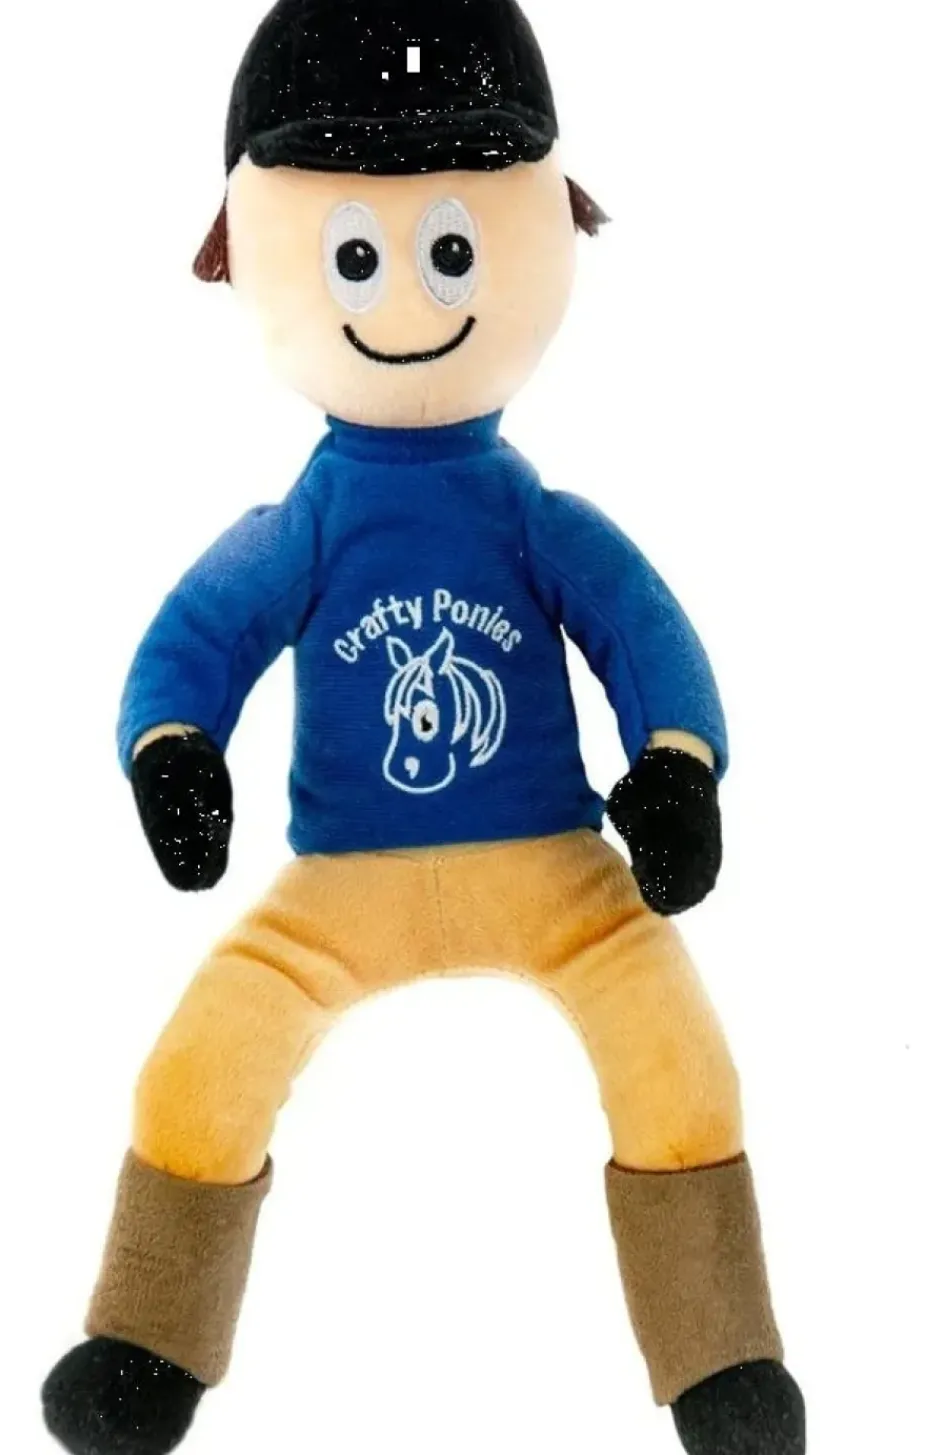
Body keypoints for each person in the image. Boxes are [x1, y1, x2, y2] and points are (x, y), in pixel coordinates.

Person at [42, 3, 805, 1452]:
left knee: (677, 1055)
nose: (404, 295)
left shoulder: (532, 516)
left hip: (557, 872)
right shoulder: (310, 522)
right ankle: (149, 1331)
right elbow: (197, 637)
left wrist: (674, 768)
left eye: (452, 249)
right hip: (340, 885)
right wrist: (175, 751)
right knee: (201, 1058)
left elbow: (643, 631)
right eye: (353, 256)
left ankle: (720, 1353)